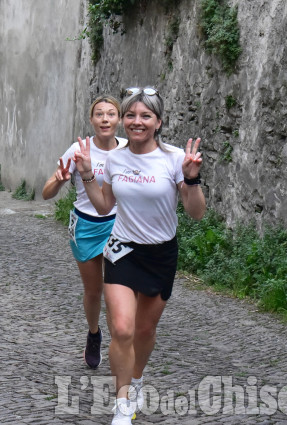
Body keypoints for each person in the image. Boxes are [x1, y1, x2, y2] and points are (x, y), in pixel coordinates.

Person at [74, 87, 206, 424]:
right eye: (131, 115)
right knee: (121, 328)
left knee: (145, 331)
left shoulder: (175, 158)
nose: (136, 121)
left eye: (145, 116)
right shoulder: (116, 158)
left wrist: (192, 180)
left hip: (161, 254)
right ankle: (123, 403)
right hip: (122, 251)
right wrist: (88, 172)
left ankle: (136, 378)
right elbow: (105, 205)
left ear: (158, 122)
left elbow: (196, 213)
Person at [42, 95, 127, 369]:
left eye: (111, 114)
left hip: (119, 225)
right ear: (91, 120)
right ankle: (93, 334)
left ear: (119, 120)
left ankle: (121, 344)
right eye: (99, 114)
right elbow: (46, 193)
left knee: (120, 289)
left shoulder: (128, 149)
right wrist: (58, 180)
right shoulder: (78, 149)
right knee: (93, 291)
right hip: (86, 226)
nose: (105, 119)